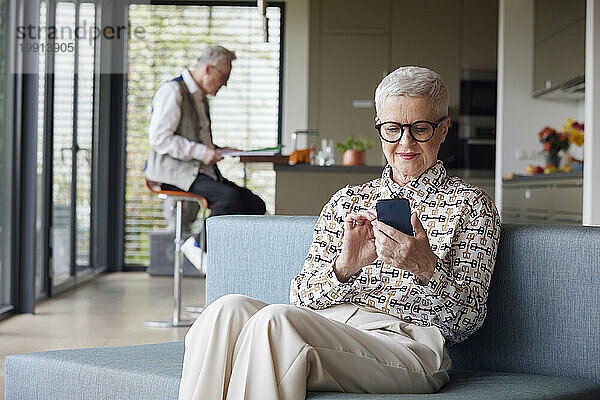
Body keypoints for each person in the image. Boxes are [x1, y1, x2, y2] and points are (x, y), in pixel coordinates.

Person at [178, 66, 501, 399]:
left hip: (409, 345)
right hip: (333, 327)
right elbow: (301, 298)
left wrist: (424, 267)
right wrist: (344, 267)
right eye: (392, 129)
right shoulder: (348, 200)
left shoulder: (470, 206)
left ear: (443, 128)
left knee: (274, 322)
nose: (405, 142)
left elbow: (466, 323)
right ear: (380, 129)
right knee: (225, 311)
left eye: (420, 129)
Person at [145, 45, 266, 272]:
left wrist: (218, 149)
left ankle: (228, 258)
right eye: (224, 76)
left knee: (254, 204)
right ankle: (199, 248)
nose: (225, 83)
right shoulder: (173, 91)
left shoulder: (200, 97)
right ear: (209, 69)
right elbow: (159, 139)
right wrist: (203, 152)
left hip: (200, 172)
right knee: (227, 198)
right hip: (174, 173)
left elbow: (191, 138)